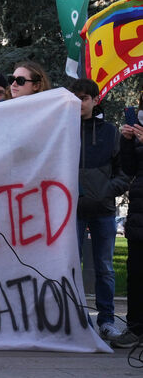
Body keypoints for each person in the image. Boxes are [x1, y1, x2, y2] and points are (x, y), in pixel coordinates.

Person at [69, 79, 128, 342]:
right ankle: (75, 320)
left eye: (84, 98)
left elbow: (124, 171)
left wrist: (106, 190)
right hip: (72, 211)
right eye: (75, 98)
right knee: (71, 266)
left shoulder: (110, 132)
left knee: (104, 268)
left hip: (104, 211)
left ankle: (106, 321)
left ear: (95, 101)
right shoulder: (62, 130)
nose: (80, 103)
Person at [115, 92, 143, 348]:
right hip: (138, 215)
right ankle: (134, 328)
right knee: (136, 273)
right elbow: (131, 168)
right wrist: (127, 142)